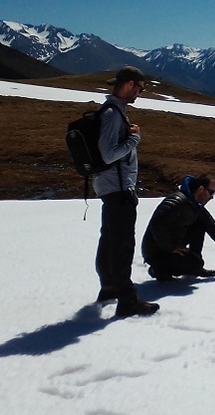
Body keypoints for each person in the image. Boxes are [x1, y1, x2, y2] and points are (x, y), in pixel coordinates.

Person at [93, 66, 160, 318]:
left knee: (109, 239)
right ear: (131, 84)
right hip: (118, 188)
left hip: (110, 187)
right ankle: (127, 300)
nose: (139, 94)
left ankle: (109, 288)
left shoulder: (110, 111)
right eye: (140, 89)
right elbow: (109, 154)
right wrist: (134, 140)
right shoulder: (112, 115)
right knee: (122, 244)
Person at [142, 175, 215, 281]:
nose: (211, 197)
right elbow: (157, 224)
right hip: (156, 252)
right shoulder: (177, 201)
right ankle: (158, 269)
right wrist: (170, 247)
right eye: (211, 193)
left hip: (171, 244)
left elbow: (212, 226)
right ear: (201, 189)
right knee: (194, 263)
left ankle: (194, 267)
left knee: (200, 224)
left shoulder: (195, 205)